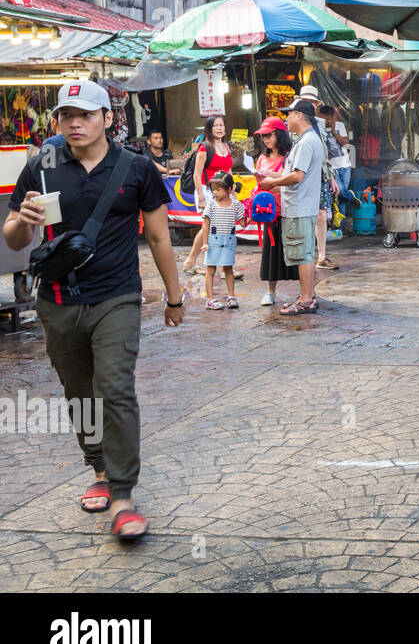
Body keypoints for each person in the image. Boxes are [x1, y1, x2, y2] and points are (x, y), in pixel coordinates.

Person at [3, 80, 184, 542]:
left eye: (84, 114)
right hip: (58, 301)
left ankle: (123, 496)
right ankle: (99, 468)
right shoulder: (40, 168)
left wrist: (174, 295)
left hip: (117, 296)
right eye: (66, 115)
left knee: (115, 388)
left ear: (108, 119)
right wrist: (22, 224)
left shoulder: (137, 168)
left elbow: (160, 237)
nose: (74, 123)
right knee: (79, 392)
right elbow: (13, 238)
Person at [257, 100, 323, 314]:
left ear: (300, 116)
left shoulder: (306, 142)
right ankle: (307, 296)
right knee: (303, 253)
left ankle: (306, 300)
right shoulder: (307, 140)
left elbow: (297, 176)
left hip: (299, 207)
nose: (286, 119)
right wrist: (271, 176)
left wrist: (273, 183)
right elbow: (292, 173)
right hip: (300, 206)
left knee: (303, 255)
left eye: (289, 114)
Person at [253, 117, 298, 307]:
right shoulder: (262, 158)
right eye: (263, 136)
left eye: (269, 135)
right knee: (271, 253)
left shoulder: (290, 156)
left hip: (288, 210)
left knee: (295, 251)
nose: (265, 139)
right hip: (269, 212)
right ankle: (270, 292)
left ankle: (304, 292)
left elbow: (294, 178)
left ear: (279, 135)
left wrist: (273, 178)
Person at [293, 85, 340, 271]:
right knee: (303, 214)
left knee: (321, 214)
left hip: (320, 174)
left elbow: (325, 153)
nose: (311, 105)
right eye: (307, 101)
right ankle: (305, 255)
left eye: (313, 102)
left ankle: (321, 255)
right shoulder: (292, 121)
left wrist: (331, 178)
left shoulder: (320, 124)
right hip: (301, 174)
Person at [180, 115, 232, 276]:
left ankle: (190, 261)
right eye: (215, 125)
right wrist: (201, 197)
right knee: (214, 228)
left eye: (221, 125)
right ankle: (223, 267)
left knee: (212, 229)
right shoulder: (205, 147)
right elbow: (196, 175)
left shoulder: (226, 147)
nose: (219, 128)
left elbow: (228, 171)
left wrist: (232, 193)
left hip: (223, 192)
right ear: (209, 129)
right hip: (207, 191)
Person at [201, 171, 243, 310]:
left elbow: (243, 222)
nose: (215, 192)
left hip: (229, 241)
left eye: (218, 189)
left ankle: (231, 297)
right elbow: (205, 224)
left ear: (229, 189)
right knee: (210, 269)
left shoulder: (236, 205)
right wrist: (205, 242)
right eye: (213, 190)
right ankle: (210, 299)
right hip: (213, 240)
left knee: (228, 269)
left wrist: (256, 213)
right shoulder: (211, 205)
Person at [320, 105, 354, 205]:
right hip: (332, 168)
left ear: (332, 118)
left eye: (327, 119)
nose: (325, 122)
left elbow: (346, 143)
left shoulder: (340, 125)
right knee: (339, 192)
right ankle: (351, 197)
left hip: (345, 166)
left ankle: (341, 221)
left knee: (340, 198)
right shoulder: (319, 128)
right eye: (322, 119)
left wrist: (334, 131)